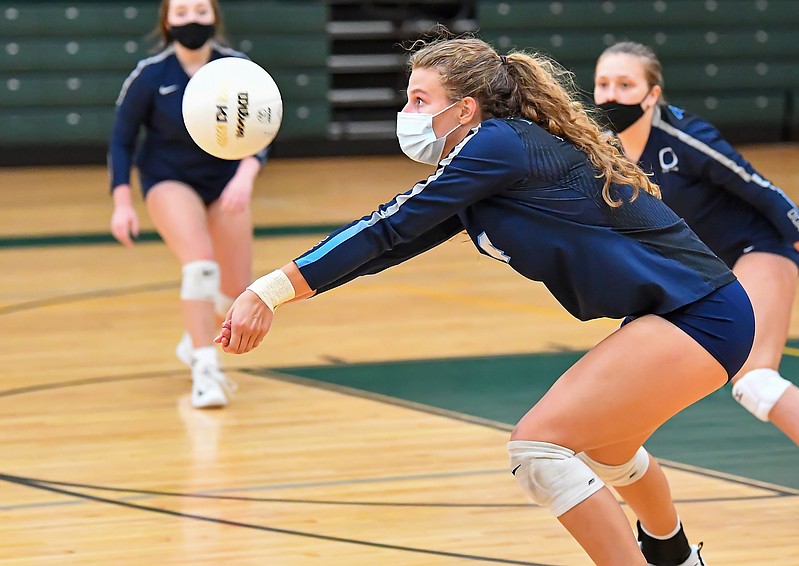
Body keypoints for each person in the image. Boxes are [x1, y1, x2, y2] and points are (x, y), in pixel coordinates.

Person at [216, 36, 755, 565]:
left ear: (464, 109)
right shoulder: (483, 171)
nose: (407, 113)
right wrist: (281, 295)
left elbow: (387, 223)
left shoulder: (499, 145)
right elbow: (390, 242)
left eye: (419, 100)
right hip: (688, 312)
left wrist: (268, 290)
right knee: (607, 449)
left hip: (703, 314)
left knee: (538, 448)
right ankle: (676, 555)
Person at [593, 41, 799, 532]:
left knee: (754, 380)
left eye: (625, 85)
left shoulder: (687, 137)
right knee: (635, 386)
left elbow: (766, 192)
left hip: (759, 248)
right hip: (701, 269)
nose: (611, 95)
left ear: (652, 95)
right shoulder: (601, 147)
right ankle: (645, 509)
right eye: (604, 83)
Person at [108, 0, 270, 409]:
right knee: (200, 265)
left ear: (214, 17)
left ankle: (193, 335)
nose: (192, 20)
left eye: (200, 11)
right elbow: (122, 141)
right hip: (169, 179)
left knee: (235, 292)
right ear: (167, 22)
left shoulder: (237, 69)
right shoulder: (150, 75)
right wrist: (122, 202)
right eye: (182, 13)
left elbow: (263, 129)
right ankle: (205, 369)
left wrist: (245, 176)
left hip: (225, 182)